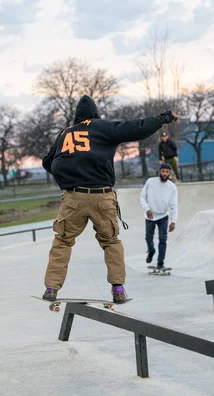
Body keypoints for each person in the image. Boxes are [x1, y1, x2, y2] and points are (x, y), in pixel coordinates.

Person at [41, 95, 178, 304]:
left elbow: (47, 162)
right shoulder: (103, 127)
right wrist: (163, 118)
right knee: (111, 242)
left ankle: (51, 288)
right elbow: (137, 127)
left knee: (62, 241)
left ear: (77, 116)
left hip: (73, 198)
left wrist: (69, 174)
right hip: (102, 196)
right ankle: (118, 289)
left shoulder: (64, 134)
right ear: (96, 114)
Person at [140, 163, 178, 270]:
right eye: (163, 171)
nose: (165, 174)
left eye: (167, 172)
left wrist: (173, 221)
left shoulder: (172, 187)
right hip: (150, 217)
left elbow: (174, 205)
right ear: (159, 171)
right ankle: (151, 251)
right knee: (148, 237)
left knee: (162, 239)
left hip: (163, 217)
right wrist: (147, 209)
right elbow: (142, 197)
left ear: (169, 173)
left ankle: (160, 263)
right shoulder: (150, 182)